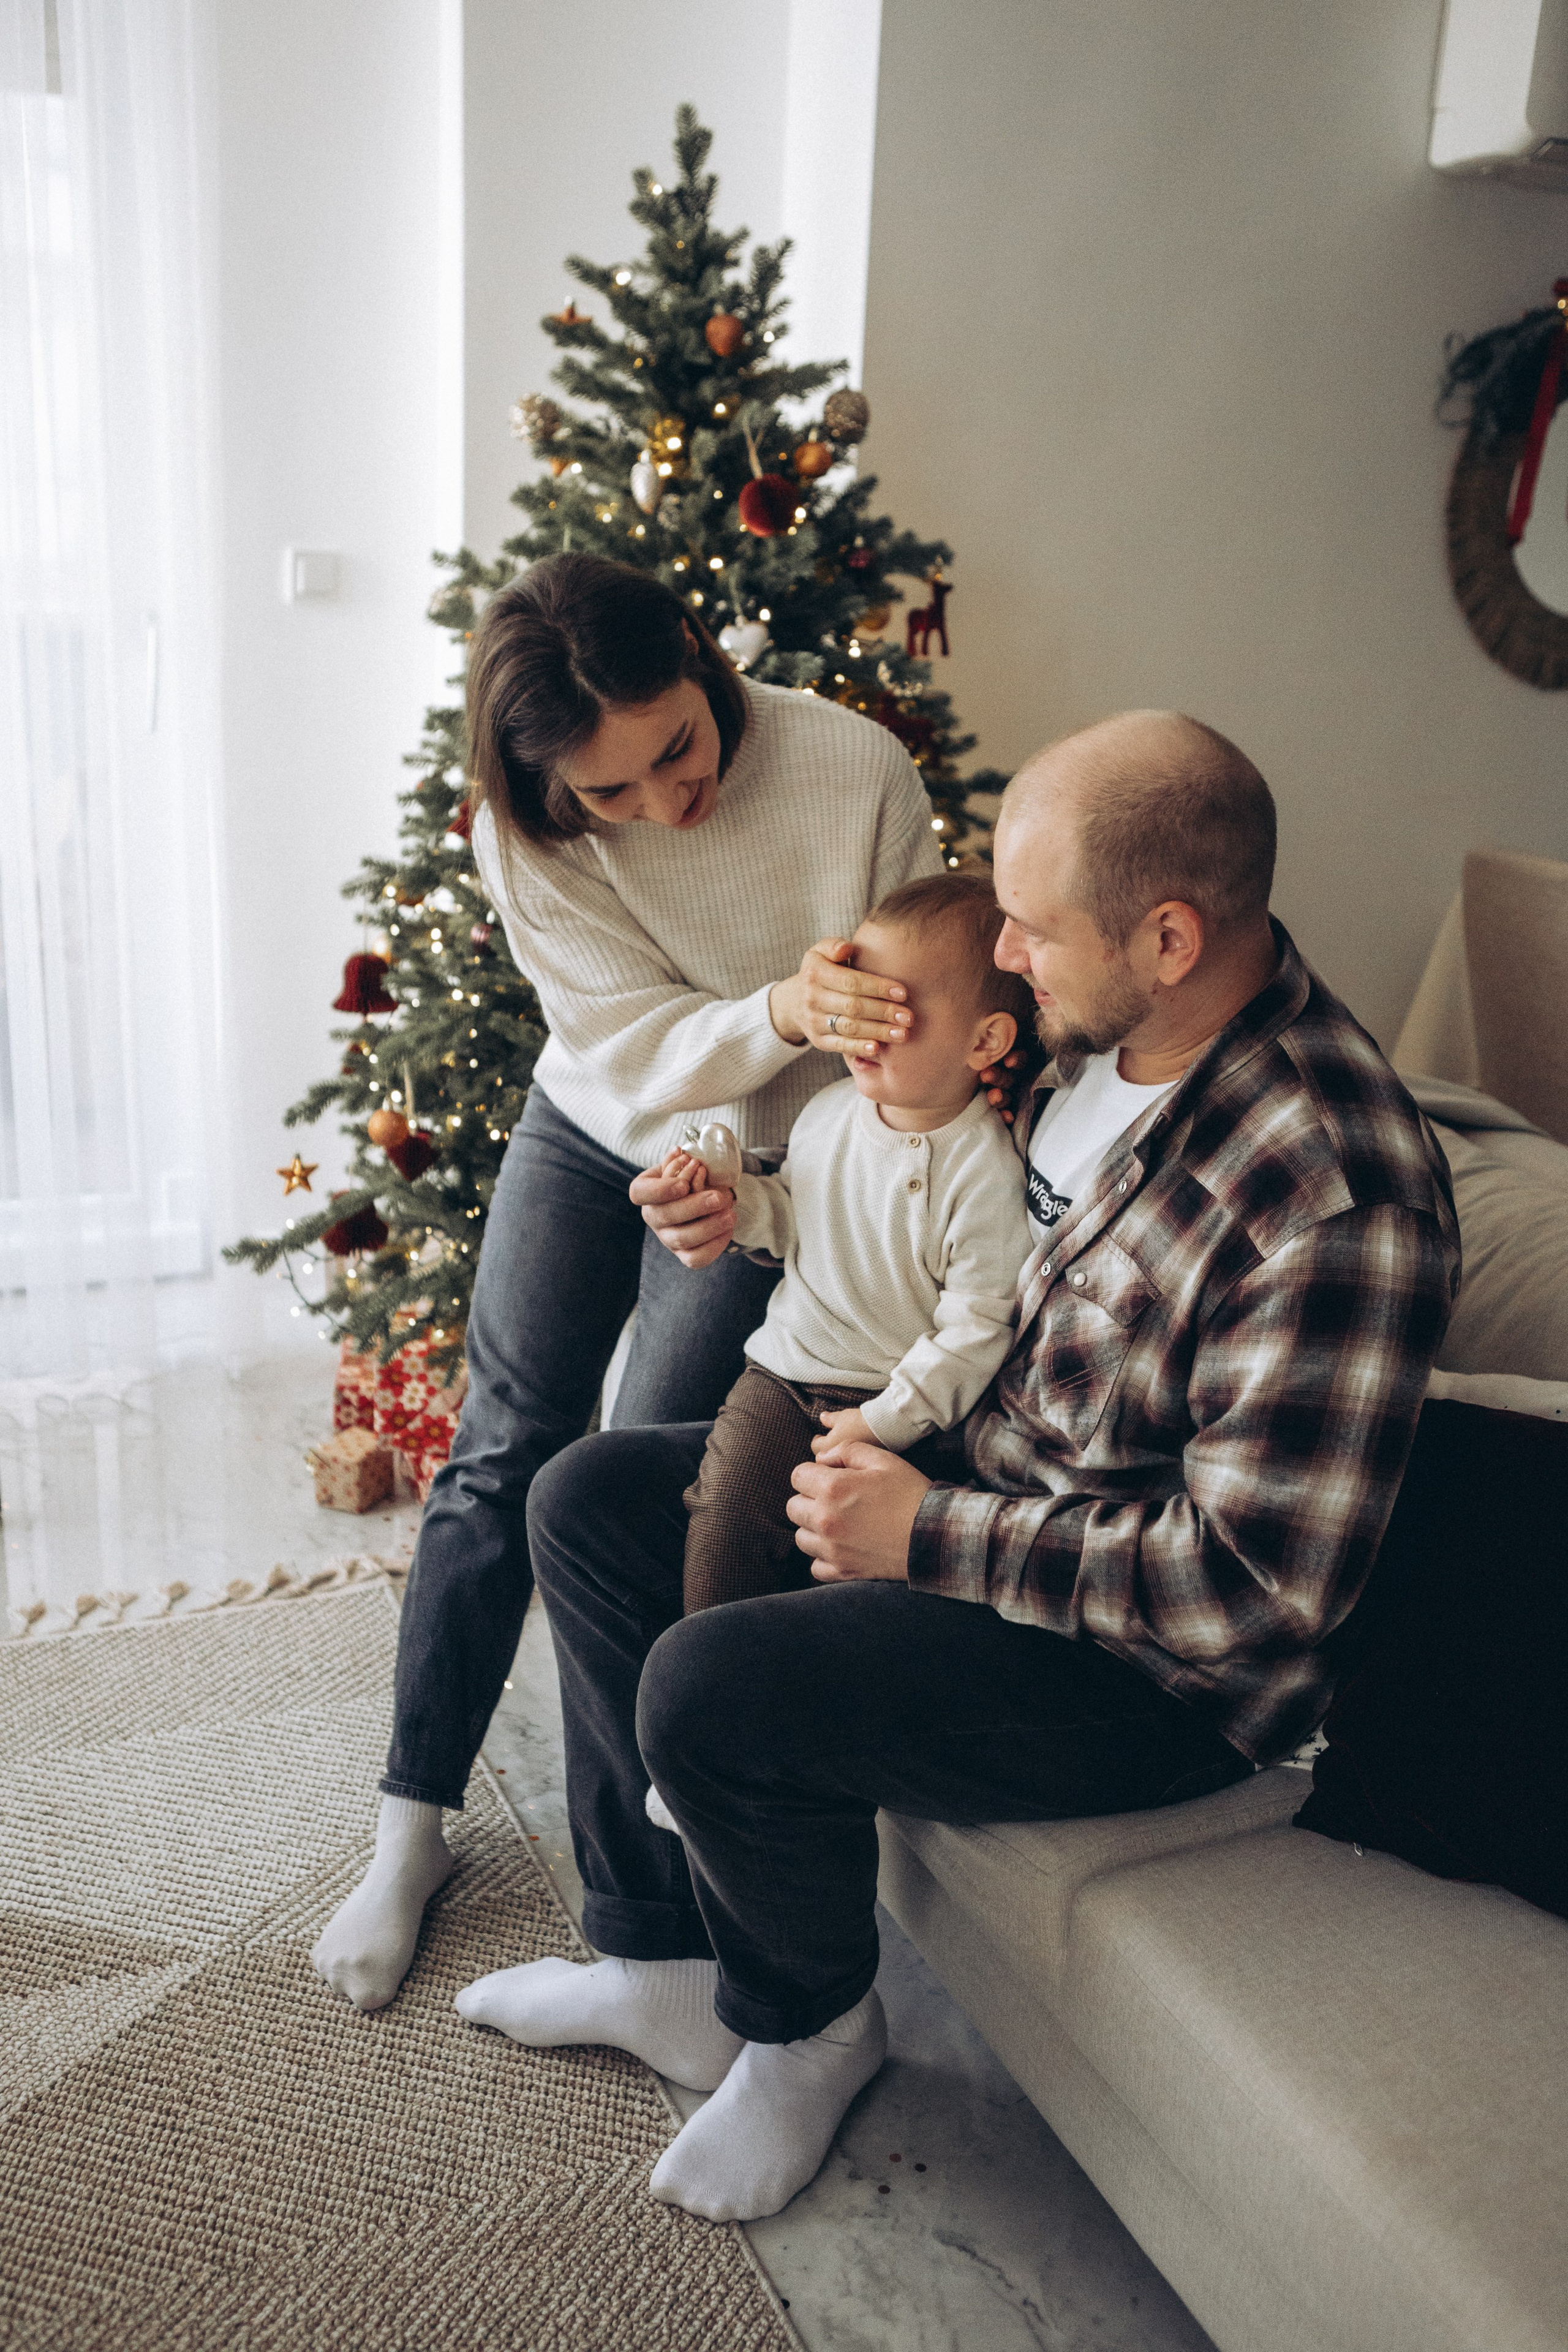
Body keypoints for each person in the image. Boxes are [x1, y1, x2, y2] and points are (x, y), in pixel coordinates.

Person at [453, 710, 1460, 2226]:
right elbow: (935, 1224)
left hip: (1140, 1675)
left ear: (1169, 934)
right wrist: (762, 1229)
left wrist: (930, 1534)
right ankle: (660, 1956)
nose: (999, 945)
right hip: (979, 1484)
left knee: (708, 1690)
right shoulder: (1083, 1049)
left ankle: (809, 2028)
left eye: (1030, 924)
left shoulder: (1327, 1189)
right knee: (586, 1503)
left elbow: (1257, 1591)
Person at [311, 551, 969, 2012]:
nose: (662, 800)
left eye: (674, 746)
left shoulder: (853, 770)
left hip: (768, 1148)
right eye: (610, 794)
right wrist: (772, 1008)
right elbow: (613, 1038)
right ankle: (408, 1823)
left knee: (636, 1501)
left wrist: (752, 1181)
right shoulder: (527, 822)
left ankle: (646, 1924)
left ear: (696, 649)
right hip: (593, 1109)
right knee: (502, 1445)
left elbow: (884, 1053)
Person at [662, 873, 1035, 1624]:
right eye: (853, 1001)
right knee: (725, 1529)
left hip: (895, 1406)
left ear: (985, 1039)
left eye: (890, 1011)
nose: (859, 1031)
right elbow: (795, 1220)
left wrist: (888, 1419)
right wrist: (732, 1203)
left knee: (840, 1589)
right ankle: (706, 1674)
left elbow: (976, 1329)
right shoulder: (830, 1112)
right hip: (783, 1375)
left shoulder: (985, 1170)